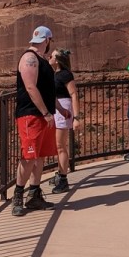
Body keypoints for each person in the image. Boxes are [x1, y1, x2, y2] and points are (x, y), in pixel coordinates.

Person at [12, 25, 57, 216]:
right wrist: (46, 112)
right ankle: (18, 196)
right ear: (47, 41)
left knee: (39, 157)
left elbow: (45, 88)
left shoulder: (40, 60)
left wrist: (56, 110)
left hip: (43, 115)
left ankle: (34, 196)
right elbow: (30, 88)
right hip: (31, 115)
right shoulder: (29, 58)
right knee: (29, 157)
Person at [50, 48, 79, 194]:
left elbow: (73, 94)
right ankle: (60, 173)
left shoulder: (65, 74)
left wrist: (76, 117)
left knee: (60, 146)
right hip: (56, 109)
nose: (49, 57)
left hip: (64, 110)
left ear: (57, 60)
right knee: (57, 145)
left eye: (51, 56)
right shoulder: (54, 74)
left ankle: (63, 179)